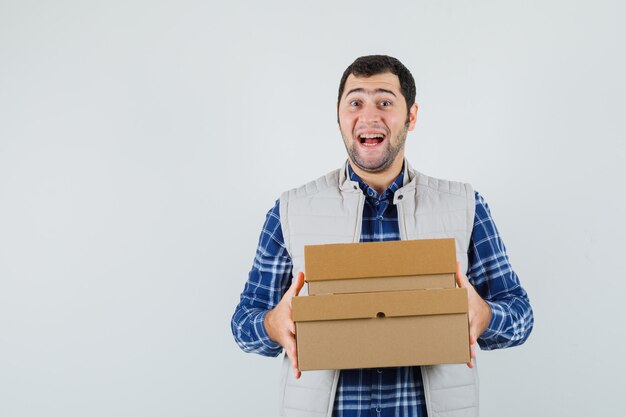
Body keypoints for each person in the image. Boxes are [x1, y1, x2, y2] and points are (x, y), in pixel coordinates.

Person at [231, 55, 533, 417]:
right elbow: (243, 324)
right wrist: (271, 325)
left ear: (412, 116)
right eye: (355, 102)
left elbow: (520, 317)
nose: (369, 116)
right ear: (340, 117)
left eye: (385, 102)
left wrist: (485, 316)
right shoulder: (292, 210)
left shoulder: (465, 206)